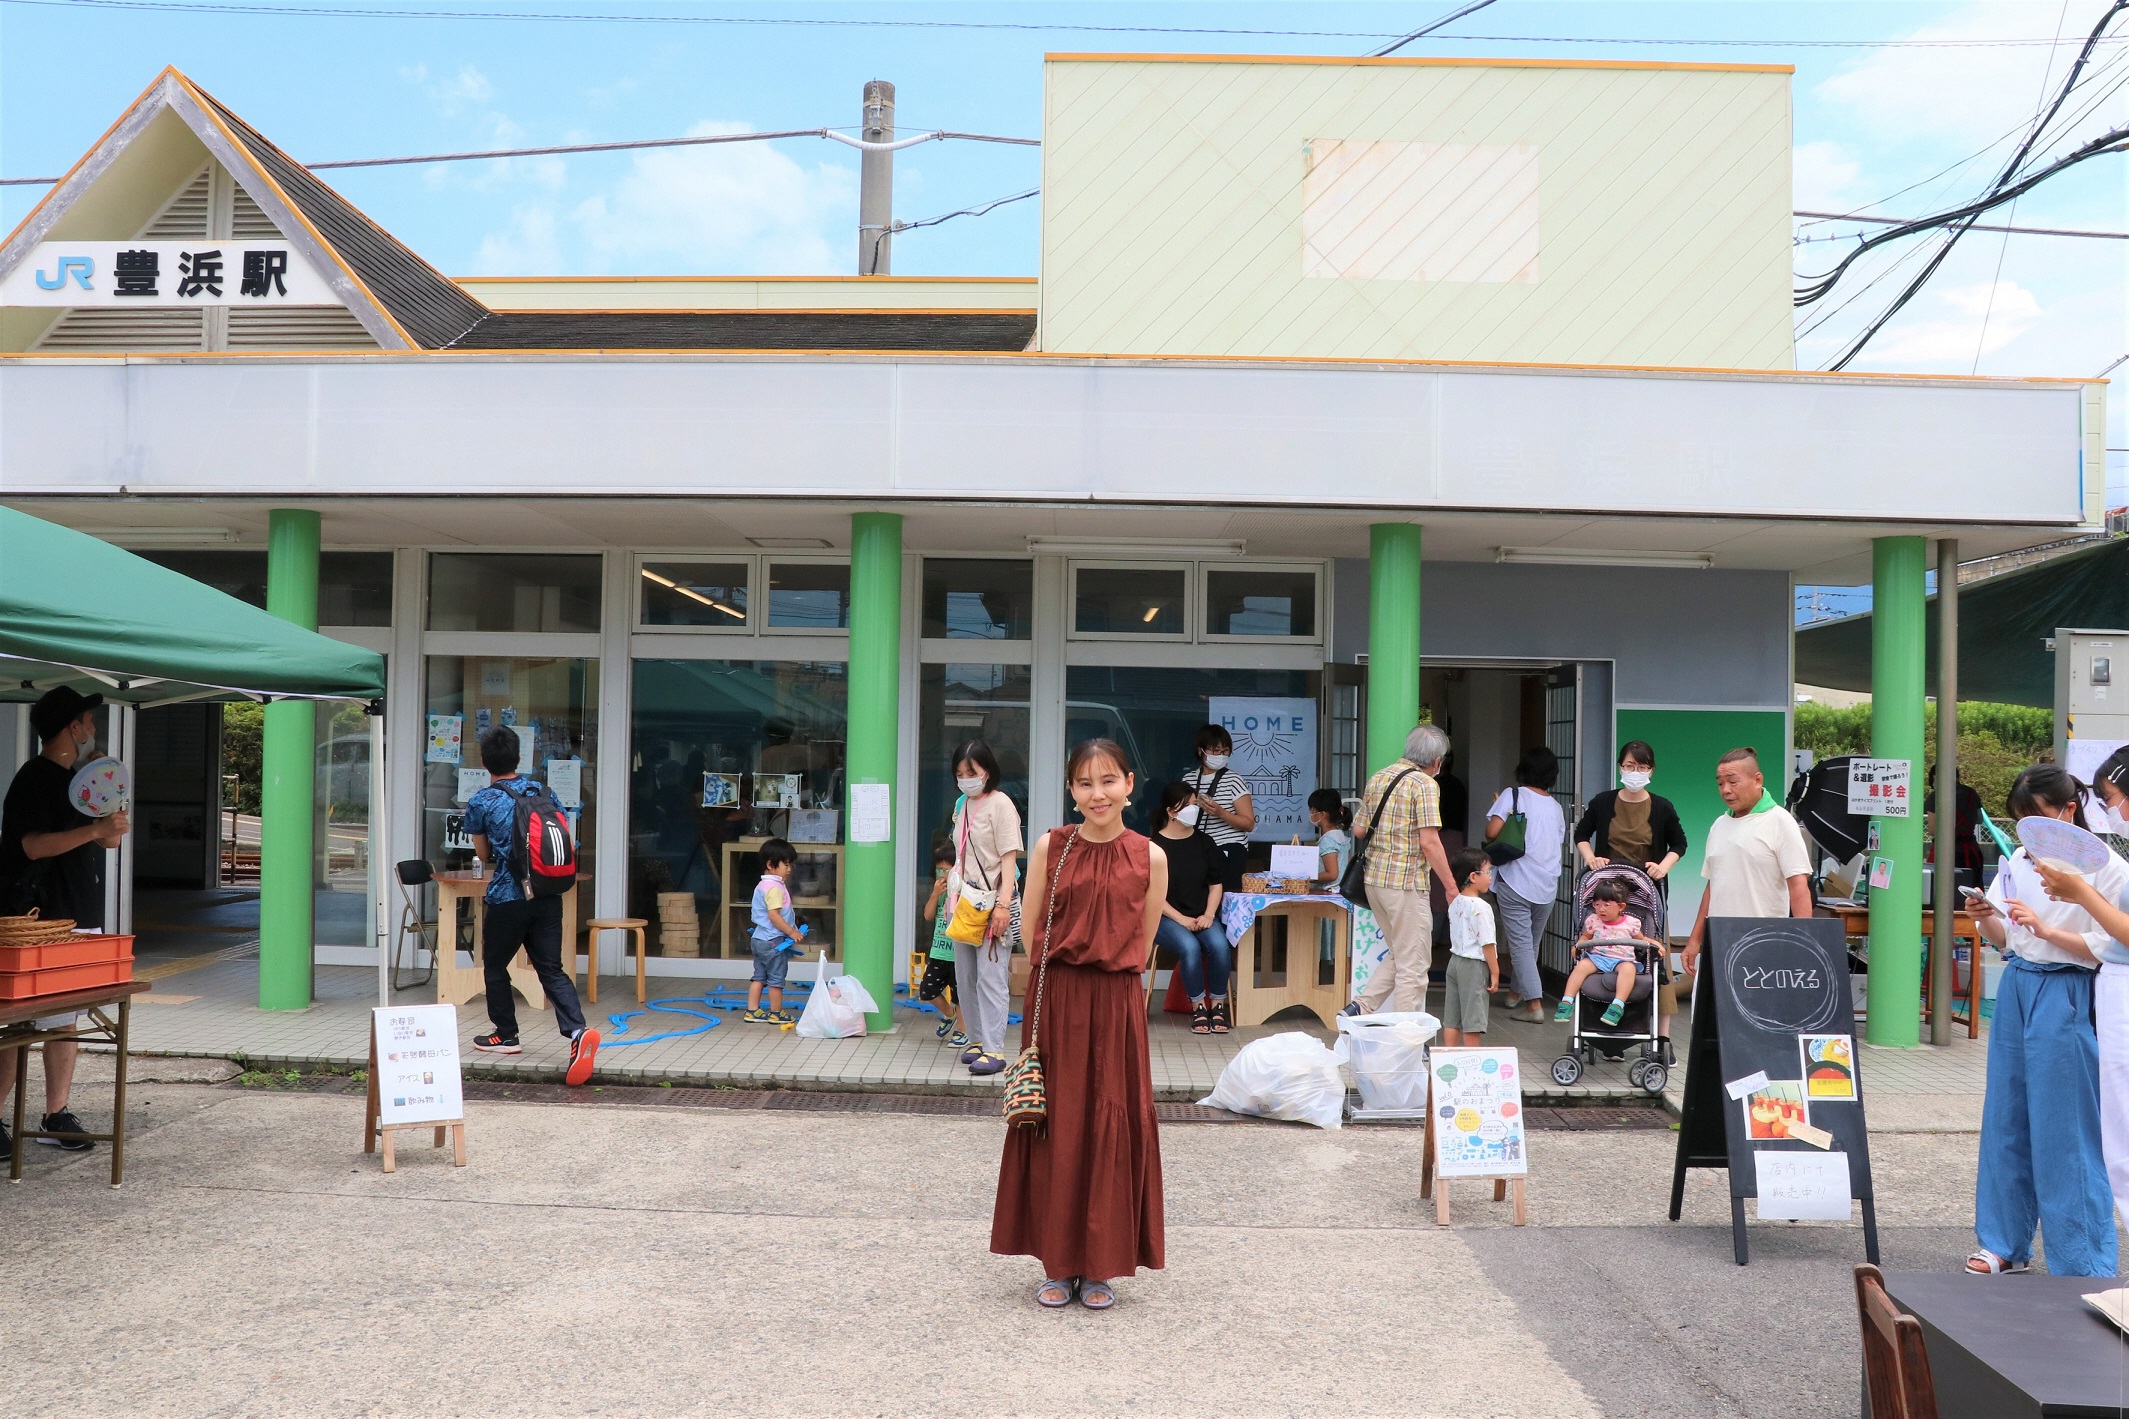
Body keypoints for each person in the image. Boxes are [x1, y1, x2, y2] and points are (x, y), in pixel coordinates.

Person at [993, 738, 1167, 1311]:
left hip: (1116, 1002)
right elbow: (1031, 921)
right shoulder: (1052, 846)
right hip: (1058, 997)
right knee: (1058, 1124)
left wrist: (1121, 990)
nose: (1098, 793)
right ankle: (1058, 1261)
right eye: (1086, 783)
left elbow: (1143, 940)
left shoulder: (1151, 855)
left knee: (1109, 1123)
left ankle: (1102, 1265)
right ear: (1071, 790)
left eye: (1109, 781)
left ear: (1129, 786)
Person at [1961, 766, 2124, 1277]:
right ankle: (2002, 1243)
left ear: (2069, 810)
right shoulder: (2018, 862)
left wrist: (2046, 930)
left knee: (2066, 1128)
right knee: (2005, 1116)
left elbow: (2106, 951)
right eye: (2019, 821)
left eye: (2036, 817)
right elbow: (2008, 939)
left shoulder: (2108, 869)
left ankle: (2082, 1260)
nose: (2026, 831)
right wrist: (1984, 915)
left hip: (2069, 990)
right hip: (2018, 986)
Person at [0, 687, 129, 1154]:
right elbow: (30, 845)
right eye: (88, 721)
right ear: (71, 728)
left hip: (78, 915)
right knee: (17, 1024)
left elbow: (107, 843)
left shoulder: (78, 783)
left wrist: (105, 805)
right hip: (39, 921)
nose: (93, 728)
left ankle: (57, 1111)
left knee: (64, 1022)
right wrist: (95, 829)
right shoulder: (35, 778)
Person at [465, 726, 599, 1085]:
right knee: (551, 969)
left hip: (508, 898)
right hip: (547, 895)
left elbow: (483, 853)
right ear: (519, 758)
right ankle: (577, 1032)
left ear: (483, 762)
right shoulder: (543, 791)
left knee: (494, 965)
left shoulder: (482, 800)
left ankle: (505, 1034)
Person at [1682, 748, 1814, 989]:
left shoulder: (1780, 821)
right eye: (1720, 783)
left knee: (1758, 1019)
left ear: (1757, 780)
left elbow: (1799, 886)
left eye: (1733, 781)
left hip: (1764, 945)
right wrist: (1694, 940)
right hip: (1719, 943)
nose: (1726, 790)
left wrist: (1804, 944)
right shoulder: (1719, 825)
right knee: (1710, 1020)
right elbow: (1713, 887)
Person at [1350, 724, 1456, 1015]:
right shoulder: (1425, 784)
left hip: (1374, 882)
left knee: (1401, 954)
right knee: (1414, 966)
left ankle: (1360, 1007)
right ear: (1437, 761)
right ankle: (1407, 1039)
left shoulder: (1379, 777)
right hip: (1406, 884)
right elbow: (1430, 842)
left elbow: (1359, 830)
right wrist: (1450, 887)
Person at [949, 740, 1023, 1078]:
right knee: (965, 977)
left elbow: (1009, 859)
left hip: (994, 901)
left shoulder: (1001, 805)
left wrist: (1004, 905)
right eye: (960, 774)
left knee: (991, 976)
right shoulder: (962, 804)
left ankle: (994, 1048)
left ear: (987, 772)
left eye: (971, 773)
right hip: (965, 903)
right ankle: (977, 1041)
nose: (965, 779)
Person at [1487, 747, 1569, 1024]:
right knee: (1530, 943)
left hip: (1517, 879)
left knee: (1521, 945)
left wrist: (1507, 815)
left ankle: (1534, 1005)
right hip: (1547, 884)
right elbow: (1556, 842)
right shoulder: (1556, 808)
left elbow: (1491, 833)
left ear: (1523, 770)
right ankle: (1514, 994)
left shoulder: (1513, 795)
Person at [1151, 781, 1232, 1035]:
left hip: (1202, 915)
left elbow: (1215, 885)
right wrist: (1182, 919)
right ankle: (1198, 1006)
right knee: (1189, 946)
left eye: (1194, 804)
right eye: (1187, 805)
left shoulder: (1205, 842)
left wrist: (1209, 914)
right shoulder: (1154, 846)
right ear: (1170, 811)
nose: (1193, 810)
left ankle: (1217, 1005)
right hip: (1166, 918)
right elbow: (1152, 895)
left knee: (1220, 945)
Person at [1574, 740, 1687, 889]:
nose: (1635, 772)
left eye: (1642, 767)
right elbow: (1581, 834)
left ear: (1651, 771)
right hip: (1607, 888)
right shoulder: (1602, 802)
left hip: (1647, 888)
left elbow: (1679, 844)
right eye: (1630, 766)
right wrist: (1591, 859)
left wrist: (1663, 867)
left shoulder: (1662, 807)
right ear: (1620, 768)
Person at [1556, 879, 1660, 1027]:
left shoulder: (1631, 923)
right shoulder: (1593, 921)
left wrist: (1654, 943)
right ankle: (1567, 1001)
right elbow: (1587, 936)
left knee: (1628, 969)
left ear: (1621, 906)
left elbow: (1641, 939)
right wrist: (1579, 945)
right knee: (1582, 966)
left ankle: (1617, 1006)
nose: (1601, 909)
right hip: (1598, 957)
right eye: (1596, 905)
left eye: (1606, 905)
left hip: (1623, 960)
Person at [1182, 724, 1253, 891]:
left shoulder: (1234, 780)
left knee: (1226, 901)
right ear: (1201, 751)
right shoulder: (1188, 780)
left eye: (1225, 751)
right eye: (1215, 751)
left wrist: (1220, 813)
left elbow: (1249, 823)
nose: (1221, 755)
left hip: (1228, 850)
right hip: (1197, 850)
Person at [1441, 847, 1499, 1047]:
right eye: (1488, 872)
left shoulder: (1456, 902)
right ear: (1473, 876)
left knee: (1452, 1018)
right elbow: (1487, 943)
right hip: (1473, 965)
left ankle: (1448, 1058)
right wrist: (1496, 971)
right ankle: (1471, 1062)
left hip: (1454, 962)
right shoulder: (1481, 907)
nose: (1491, 877)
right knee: (1473, 1019)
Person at [744, 837, 805, 1024]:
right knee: (776, 979)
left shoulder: (762, 885)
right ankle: (776, 1013)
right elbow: (774, 915)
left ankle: (752, 1010)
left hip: (759, 939)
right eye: (785, 865)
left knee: (759, 977)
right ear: (770, 865)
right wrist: (792, 932)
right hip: (773, 942)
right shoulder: (774, 888)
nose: (789, 869)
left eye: (790, 865)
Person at [920, 842, 966, 1046]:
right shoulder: (938, 891)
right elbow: (928, 916)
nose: (941, 873)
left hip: (958, 952)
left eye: (946, 869)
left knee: (960, 995)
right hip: (939, 951)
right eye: (939, 869)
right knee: (927, 989)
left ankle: (963, 1031)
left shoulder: (962, 890)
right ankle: (949, 1014)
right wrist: (935, 894)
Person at [1308, 788, 1353, 886]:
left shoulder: (1327, 840)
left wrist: (1307, 878)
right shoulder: (1340, 836)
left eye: (1312, 810)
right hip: (1342, 890)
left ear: (1322, 814)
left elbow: (1332, 874)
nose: (1310, 813)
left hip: (1329, 892)